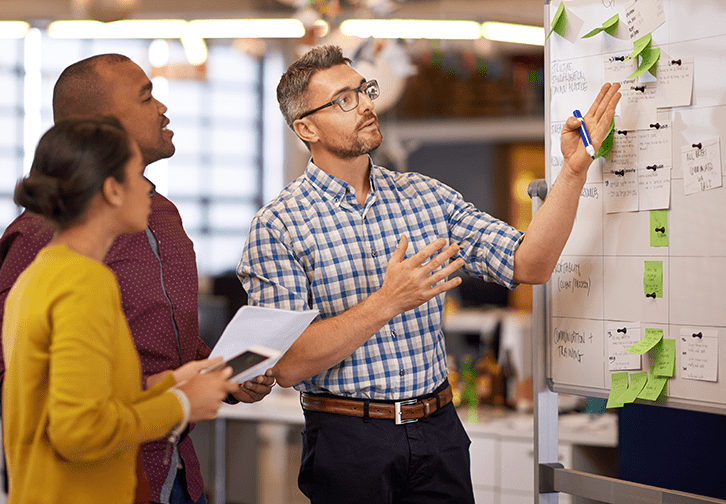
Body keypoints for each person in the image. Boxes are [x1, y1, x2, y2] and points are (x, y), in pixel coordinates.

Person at [237, 44, 621, 503]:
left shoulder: (426, 197)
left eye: (364, 90)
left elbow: (530, 264)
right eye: (344, 99)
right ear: (306, 127)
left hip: (439, 432)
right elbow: (289, 363)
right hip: (348, 442)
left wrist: (574, 171)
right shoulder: (278, 224)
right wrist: (387, 302)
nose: (365, 105)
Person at [0, 54, 277, 504]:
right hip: (94, 483)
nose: (148, 191)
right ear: (111, 185)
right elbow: (73, 424)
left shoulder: (58, 268)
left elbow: (87, 387)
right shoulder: (73, 273)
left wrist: (187, 378)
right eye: (134, 178)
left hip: (169, 469)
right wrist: (183, 402)